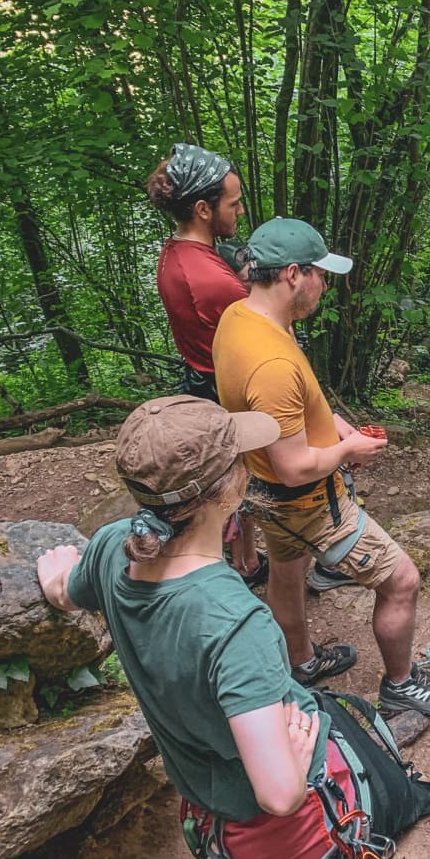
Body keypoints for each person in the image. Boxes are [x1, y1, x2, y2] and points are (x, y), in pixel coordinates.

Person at [35, 395, 349, 859]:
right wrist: (292, 768)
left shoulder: (114, 545)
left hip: (207, 796)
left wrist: (54, 578)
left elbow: (67, 593)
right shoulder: (236, 621)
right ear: (230, 489)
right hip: (275, 823)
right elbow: (278, 795)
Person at [212, 217, 430, 714]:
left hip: (263, 494)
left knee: (286, 568)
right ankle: (401, 685)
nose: (325, 285)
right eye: (320, 274)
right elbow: (296, 466)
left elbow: (289, 408)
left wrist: (337, 424)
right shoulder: (271, 364)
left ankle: (301, 661)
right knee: (403, 581)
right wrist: (349, 452)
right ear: (291, 274)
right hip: (308, 501)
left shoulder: (240, 319)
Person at [145, 143, 264, 586]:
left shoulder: (177, 252)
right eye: (232, 203)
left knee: (231, 480)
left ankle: (247, 559)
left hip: (202, 377)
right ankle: (248, 565)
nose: (240, 211)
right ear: (202, 208)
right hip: (224, 387)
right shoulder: (211, 281)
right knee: (243, 481)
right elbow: (264, 335)